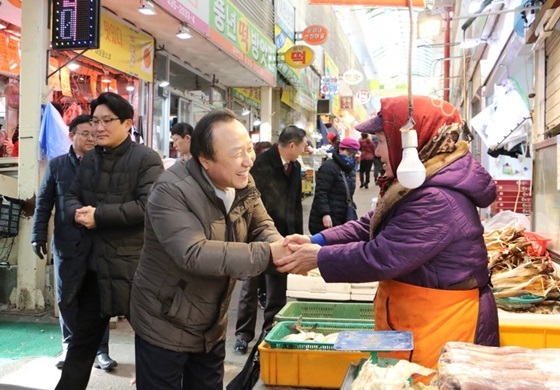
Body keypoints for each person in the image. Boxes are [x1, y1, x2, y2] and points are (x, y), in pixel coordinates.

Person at [275, 95, 499, 372]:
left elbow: (382, 256)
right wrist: (316, 240)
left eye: (380, 141)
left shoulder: (437, 198)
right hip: (417, 318)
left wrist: (319, 258)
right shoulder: (419, 182)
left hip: (442, 325)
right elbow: (371, 223)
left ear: (410, 145)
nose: (377, 152)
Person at [129, 108, 291, 390]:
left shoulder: (241, 182)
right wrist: (267, 254)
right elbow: (194, 253)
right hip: (165, 322)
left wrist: (282, 246)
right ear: (204, 159)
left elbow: (261, 224)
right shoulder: (170, 191)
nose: (248, 161)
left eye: (249, 149)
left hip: (212, 323)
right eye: (236, 153)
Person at [55, 92, 164, 390]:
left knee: (150, 340)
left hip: (134, 268)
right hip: (94, 266)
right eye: (95, 121)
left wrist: (99, 216)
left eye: (107, 121)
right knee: (83, 341)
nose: (99, 128)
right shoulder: (90, 159)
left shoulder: (146, 159)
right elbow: (71, 195)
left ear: (128, 123)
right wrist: (77, 213)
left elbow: (147, 207)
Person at [31, 115, 117, 370]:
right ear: (71, 136)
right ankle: (70, 345)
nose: (91, 138)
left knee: (99, 298)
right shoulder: (57, 166)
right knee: (66, 297)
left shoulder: (106, 165)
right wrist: (37, 235)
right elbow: (44, 203)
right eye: (85, 133)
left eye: (94, 134)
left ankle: (101, 351)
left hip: (98, 243)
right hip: (67, 244)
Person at [233, 126, 307, 355]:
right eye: (302, 146)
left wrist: (296, 235)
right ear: (292, 145)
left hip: (283, 236)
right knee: (250, 287)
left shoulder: (295, 167)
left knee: (277, 290)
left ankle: (268, 334)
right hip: (257, 235)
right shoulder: (261, 164)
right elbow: (246, 201)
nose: (304, 150)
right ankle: (242, 336)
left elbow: (296, 202)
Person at [308, 137, 360, 235]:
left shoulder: (350, 169)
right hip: (327, 220)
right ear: (341, 149)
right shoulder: (328, 167)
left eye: (353, 155)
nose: (351, 157)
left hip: (342, 218)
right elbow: (321, 192)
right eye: (349, 154)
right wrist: (325, 214)